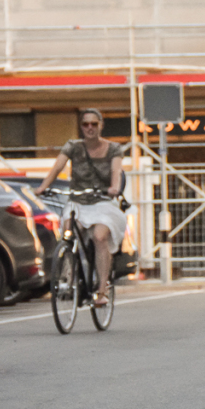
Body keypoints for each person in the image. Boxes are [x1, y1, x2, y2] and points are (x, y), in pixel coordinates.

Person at [35, 108, 126, 307]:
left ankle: (102, 290)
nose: (90, 128)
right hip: (78, 201)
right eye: (85, 124)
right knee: (68, 232)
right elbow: (57, 167)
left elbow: (116, 171)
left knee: (99, 237)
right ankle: (69, 271)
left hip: (102, 202)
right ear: (81, 127)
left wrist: (114, 188)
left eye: (94, 124)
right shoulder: (73, 146)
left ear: (101, 125)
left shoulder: (114, 149)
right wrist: (43, 187)